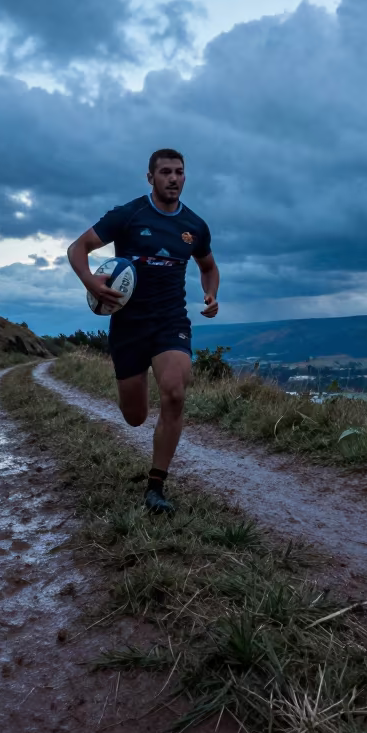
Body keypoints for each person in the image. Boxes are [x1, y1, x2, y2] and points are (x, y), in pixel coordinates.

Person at [67, 148, 219, 514]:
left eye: (179, 172)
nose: (173, 178)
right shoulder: (128, 215)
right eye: (165, 172)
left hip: (171, 322)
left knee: (175, 393)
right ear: (150, 177)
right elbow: (78, 248)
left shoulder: (194, 226)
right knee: (135, 416)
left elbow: (208, 266)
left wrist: (211, 292)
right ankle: (141, 384)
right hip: (129, 326)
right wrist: (90, 282)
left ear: (185, 177)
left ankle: (156, 488)